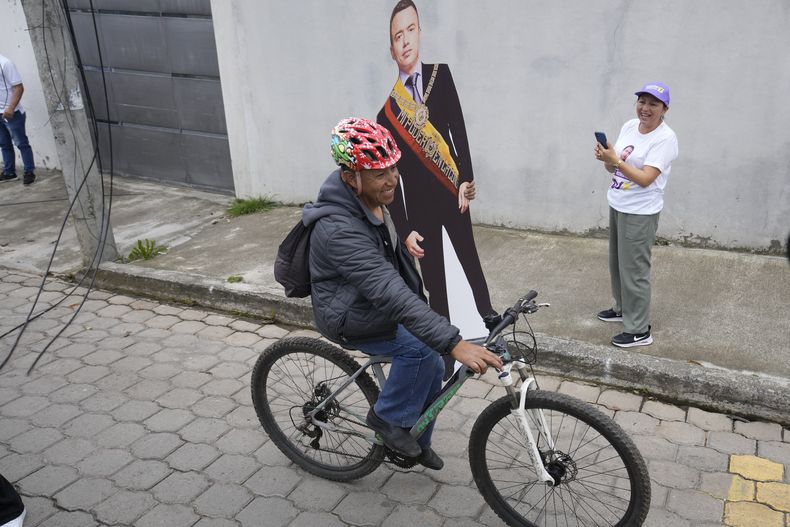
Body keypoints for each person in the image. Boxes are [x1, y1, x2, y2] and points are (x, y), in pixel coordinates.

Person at [303, 117, 502, 470]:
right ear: (351, 177)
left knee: (434, 353)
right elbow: (386, 289)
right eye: (380, 173)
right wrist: (453, 343)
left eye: (393, 168)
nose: (392, 178)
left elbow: (384, 260)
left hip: (372, 300)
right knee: (425, 351)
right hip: (349, 314)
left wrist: (403, 242)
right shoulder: (338, 229)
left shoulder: (368, 196)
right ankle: (387, 420)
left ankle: (415, 439)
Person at [376, 1, 495, 336]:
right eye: (397, 36)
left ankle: (487, 315)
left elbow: (458, 129)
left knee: (469, 257)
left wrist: (466, 180)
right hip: (418, 206)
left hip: (451, 190)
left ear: (420, 33)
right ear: (391, 48)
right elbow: (391, 181)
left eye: (410, 30)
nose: (405, 40)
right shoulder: (387, 113)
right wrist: (404, 226)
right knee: (434, 278)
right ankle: (442, 343)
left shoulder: (440, 75)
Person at [594, 82, 679, 348]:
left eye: (654, 104)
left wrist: (616, 161)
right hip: (619, 203)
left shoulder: (665, 138)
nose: (645, 108)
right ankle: (622, 309)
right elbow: (614, 170)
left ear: (664, 108)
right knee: (617, 264)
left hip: (641, 212)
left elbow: (645, 178)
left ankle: (639, 329)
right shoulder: (630, 126)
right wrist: (607, 158)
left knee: (635, 271)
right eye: (642, 101)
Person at [0, 54, 35, 185]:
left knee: (21, 143)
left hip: (12, 113)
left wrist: (11, 107)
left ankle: (29, 172)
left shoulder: (5, 63)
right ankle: (9, 172)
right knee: (4, 144)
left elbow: (19, 87)